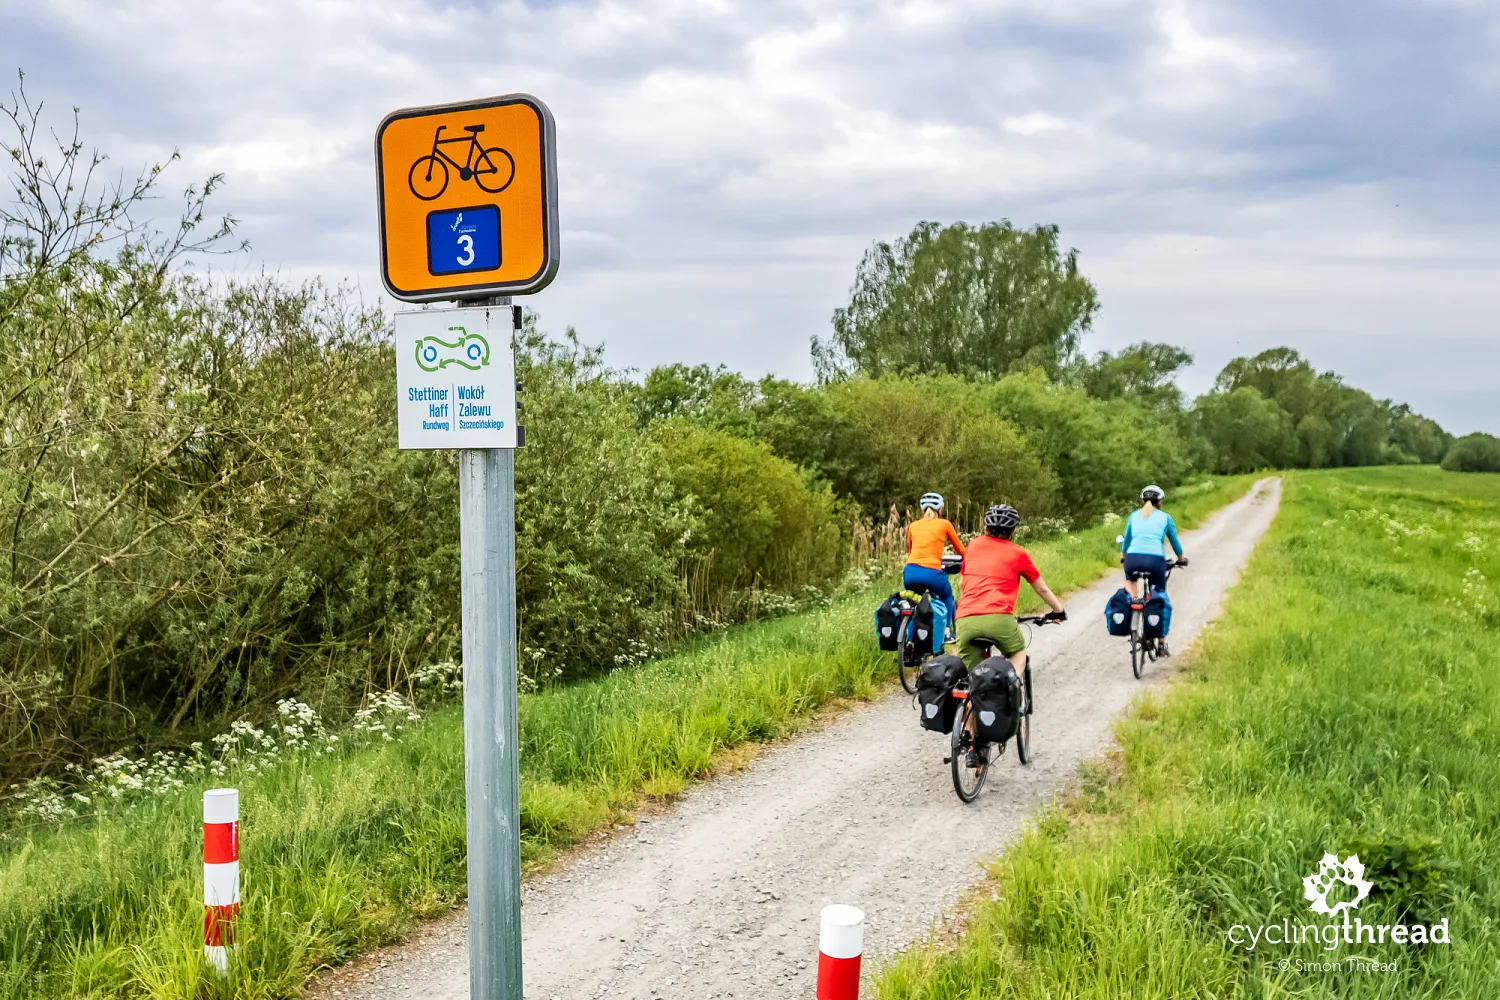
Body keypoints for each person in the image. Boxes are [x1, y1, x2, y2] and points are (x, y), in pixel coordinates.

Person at [954, 504, 1067, 682]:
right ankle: (1008, 693)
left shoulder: (973, 545)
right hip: (999, 619)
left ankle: (970, 706)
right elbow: (1041, 588)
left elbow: (963, 583)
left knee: (975, 681)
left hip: (965, 620)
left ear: (985, 528)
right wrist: (1059, 610)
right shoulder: (1018, 553)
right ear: (1013, 531)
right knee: (1018, 655)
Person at [1119, 484, 1189, 656]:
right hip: (1155, 560)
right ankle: (1162, 644)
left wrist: (1123, 556)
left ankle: (1133, 603)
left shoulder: (1134, 516)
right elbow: (1175, 543)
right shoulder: (1165, 518)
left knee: (1130, 579)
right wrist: (1180, 559)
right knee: (1159, 596)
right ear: (1160, 502)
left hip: (1133, 558)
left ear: (1142, 501)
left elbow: (1126, 540)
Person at [904, 492, 965, 624]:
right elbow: (959, 549)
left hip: (910, 572)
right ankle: (947, 631)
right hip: (932, 572)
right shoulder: (945, 524)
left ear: (922, 509)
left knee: (913, 601)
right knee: (947, 596)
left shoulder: (913, 526)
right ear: (940, 509)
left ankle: (909, 639)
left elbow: (910, 551)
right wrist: (969, 559)